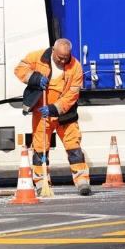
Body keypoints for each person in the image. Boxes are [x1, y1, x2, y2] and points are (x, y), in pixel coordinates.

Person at [14, 38, 91, 196]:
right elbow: (20, 69)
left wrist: (54, 108)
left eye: (66, 57)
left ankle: (82, 181)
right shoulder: (39, 57)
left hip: (65, 113)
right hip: (41, 112)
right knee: (40, 149)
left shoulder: (75, 67)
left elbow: (72, 94)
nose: (63, 60)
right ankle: (42, 182)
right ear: (53, 51)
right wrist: (34, 78)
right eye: (60, 57)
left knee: (73, 146)